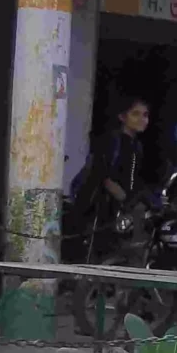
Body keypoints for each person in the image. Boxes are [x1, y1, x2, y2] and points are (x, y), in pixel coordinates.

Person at [69, 95, 152, 261]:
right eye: (135, 114)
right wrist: (123, 197)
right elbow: (102, 175)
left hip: (121, 211)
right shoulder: (111, 141)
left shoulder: (137, 146)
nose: (142, 119)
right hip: (100, 210)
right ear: (122, 117)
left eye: (145, 115)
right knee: (97, 256)